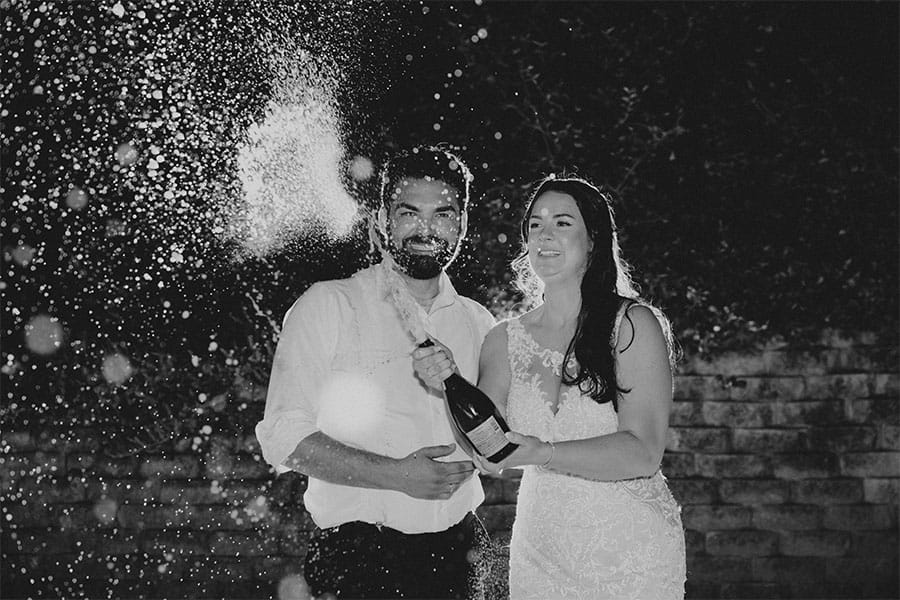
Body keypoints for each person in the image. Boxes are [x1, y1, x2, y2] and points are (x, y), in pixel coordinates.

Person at [414, 175, 686, 599]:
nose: (545, 235)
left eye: (562, 223)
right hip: (542, 552)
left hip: (629, 548)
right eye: (536, 225)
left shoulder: (632, 325)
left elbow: (643, 452)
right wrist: (447, 382)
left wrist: (545, 452)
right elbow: (489, 455)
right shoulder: (503, 340)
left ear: (593, 240)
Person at [255, 146, 496, 599]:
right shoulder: (329, 305)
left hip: (461, 557)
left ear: (462, 225)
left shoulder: (480, 323)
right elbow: (282, 438)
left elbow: (502, 447)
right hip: (359, 563)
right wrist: (397, 475)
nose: (426, 229)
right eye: (409, 212)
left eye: (443, 214)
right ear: (382, 221)